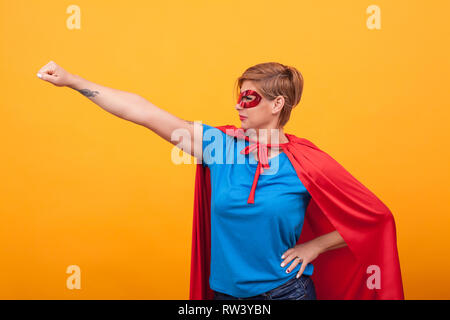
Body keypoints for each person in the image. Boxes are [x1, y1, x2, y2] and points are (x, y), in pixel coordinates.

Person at [36, 61, 404, 300]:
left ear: (277, 105)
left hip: (287, 293)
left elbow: (375, 219)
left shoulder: (307, 163)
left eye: (249, 97)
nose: (238, 106)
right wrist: (72, 81)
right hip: (225, 297)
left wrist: (315, 248)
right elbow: (142, 111)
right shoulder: (220, 147)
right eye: (238, 97)